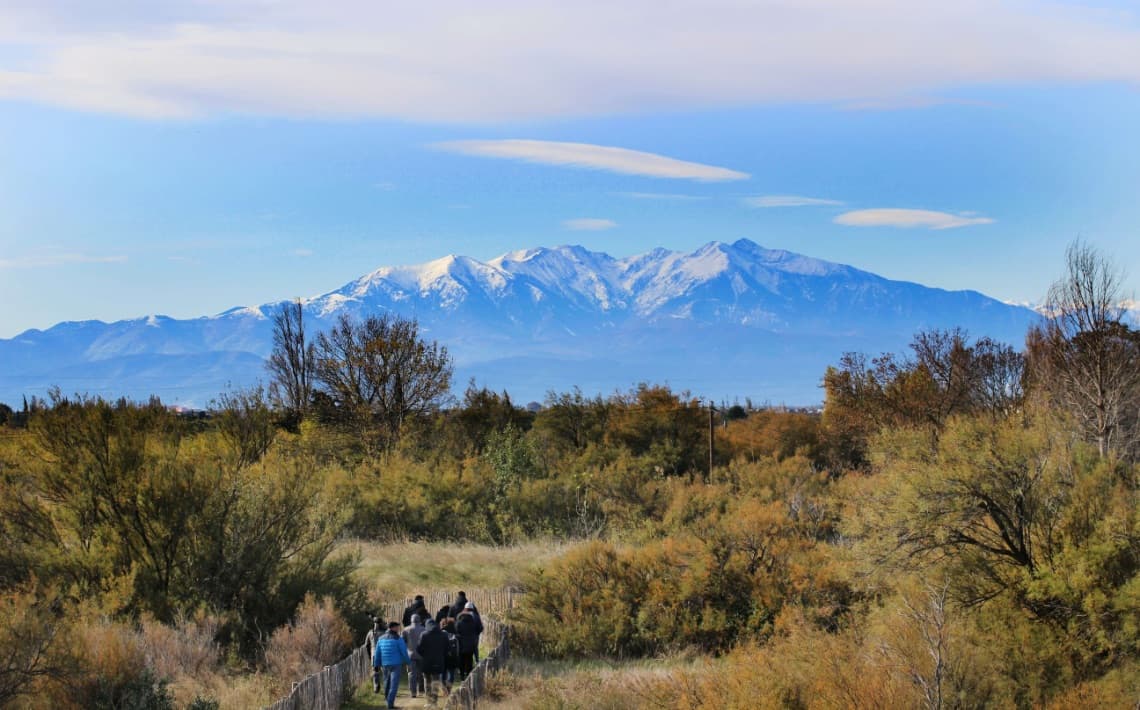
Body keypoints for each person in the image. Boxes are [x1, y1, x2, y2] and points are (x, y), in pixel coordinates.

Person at [374, 621, 410, 709]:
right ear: (393, 628)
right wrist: (408, 662)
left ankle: (387, 700)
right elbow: (404, 652)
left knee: (387, 682)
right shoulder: (398, 638)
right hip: (396, 664)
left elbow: (377, 653)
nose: (398, 629)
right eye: (397, 627)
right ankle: (390, 704)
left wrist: (376, 664)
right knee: (394, 685)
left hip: (385, 664)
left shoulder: (380, 638)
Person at [416, 618, 450, 703]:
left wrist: (424, 655)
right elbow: (448, 648)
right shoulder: (443, 635)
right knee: (436, 681)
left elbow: (419, 648)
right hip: (438, 661)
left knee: (427, 681)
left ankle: (428, 700)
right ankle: (434, 700)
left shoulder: (424, 634)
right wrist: (442, 655)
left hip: (426, 661)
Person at [455, 604, 483, 678]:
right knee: (469, 659)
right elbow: (479, 628)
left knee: (461, 659)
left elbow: (456, 631)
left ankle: (461, 675)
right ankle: (468, 675)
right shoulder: (472, 622)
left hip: (461, 644)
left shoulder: (459, 623)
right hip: (471, 643)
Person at [402, 614, 427, 698]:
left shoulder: (406, 630)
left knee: (411, 673)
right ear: (419, 620)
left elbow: (403, 642)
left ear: (411, 620)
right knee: (421, 673)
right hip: (421, 654)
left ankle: (413, 692)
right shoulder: (424, 629)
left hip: (410, 654)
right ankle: (421, 690)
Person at [365, 618, 384, 693]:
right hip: (383, 654)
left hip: (374, 654)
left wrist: (369, 655)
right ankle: (387, 687)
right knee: (385, 671)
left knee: (375, 671)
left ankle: (376, 687)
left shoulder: (370, 633)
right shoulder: (384, 633)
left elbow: (366, 645)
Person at [440, 617, 460, 687]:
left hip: (443, 656)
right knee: (451, 673)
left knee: (443, 673)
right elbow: (458, 649)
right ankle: (449, 688)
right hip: (452, 656)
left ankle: (444, 687)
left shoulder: (440, 633)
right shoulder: (455, 635)